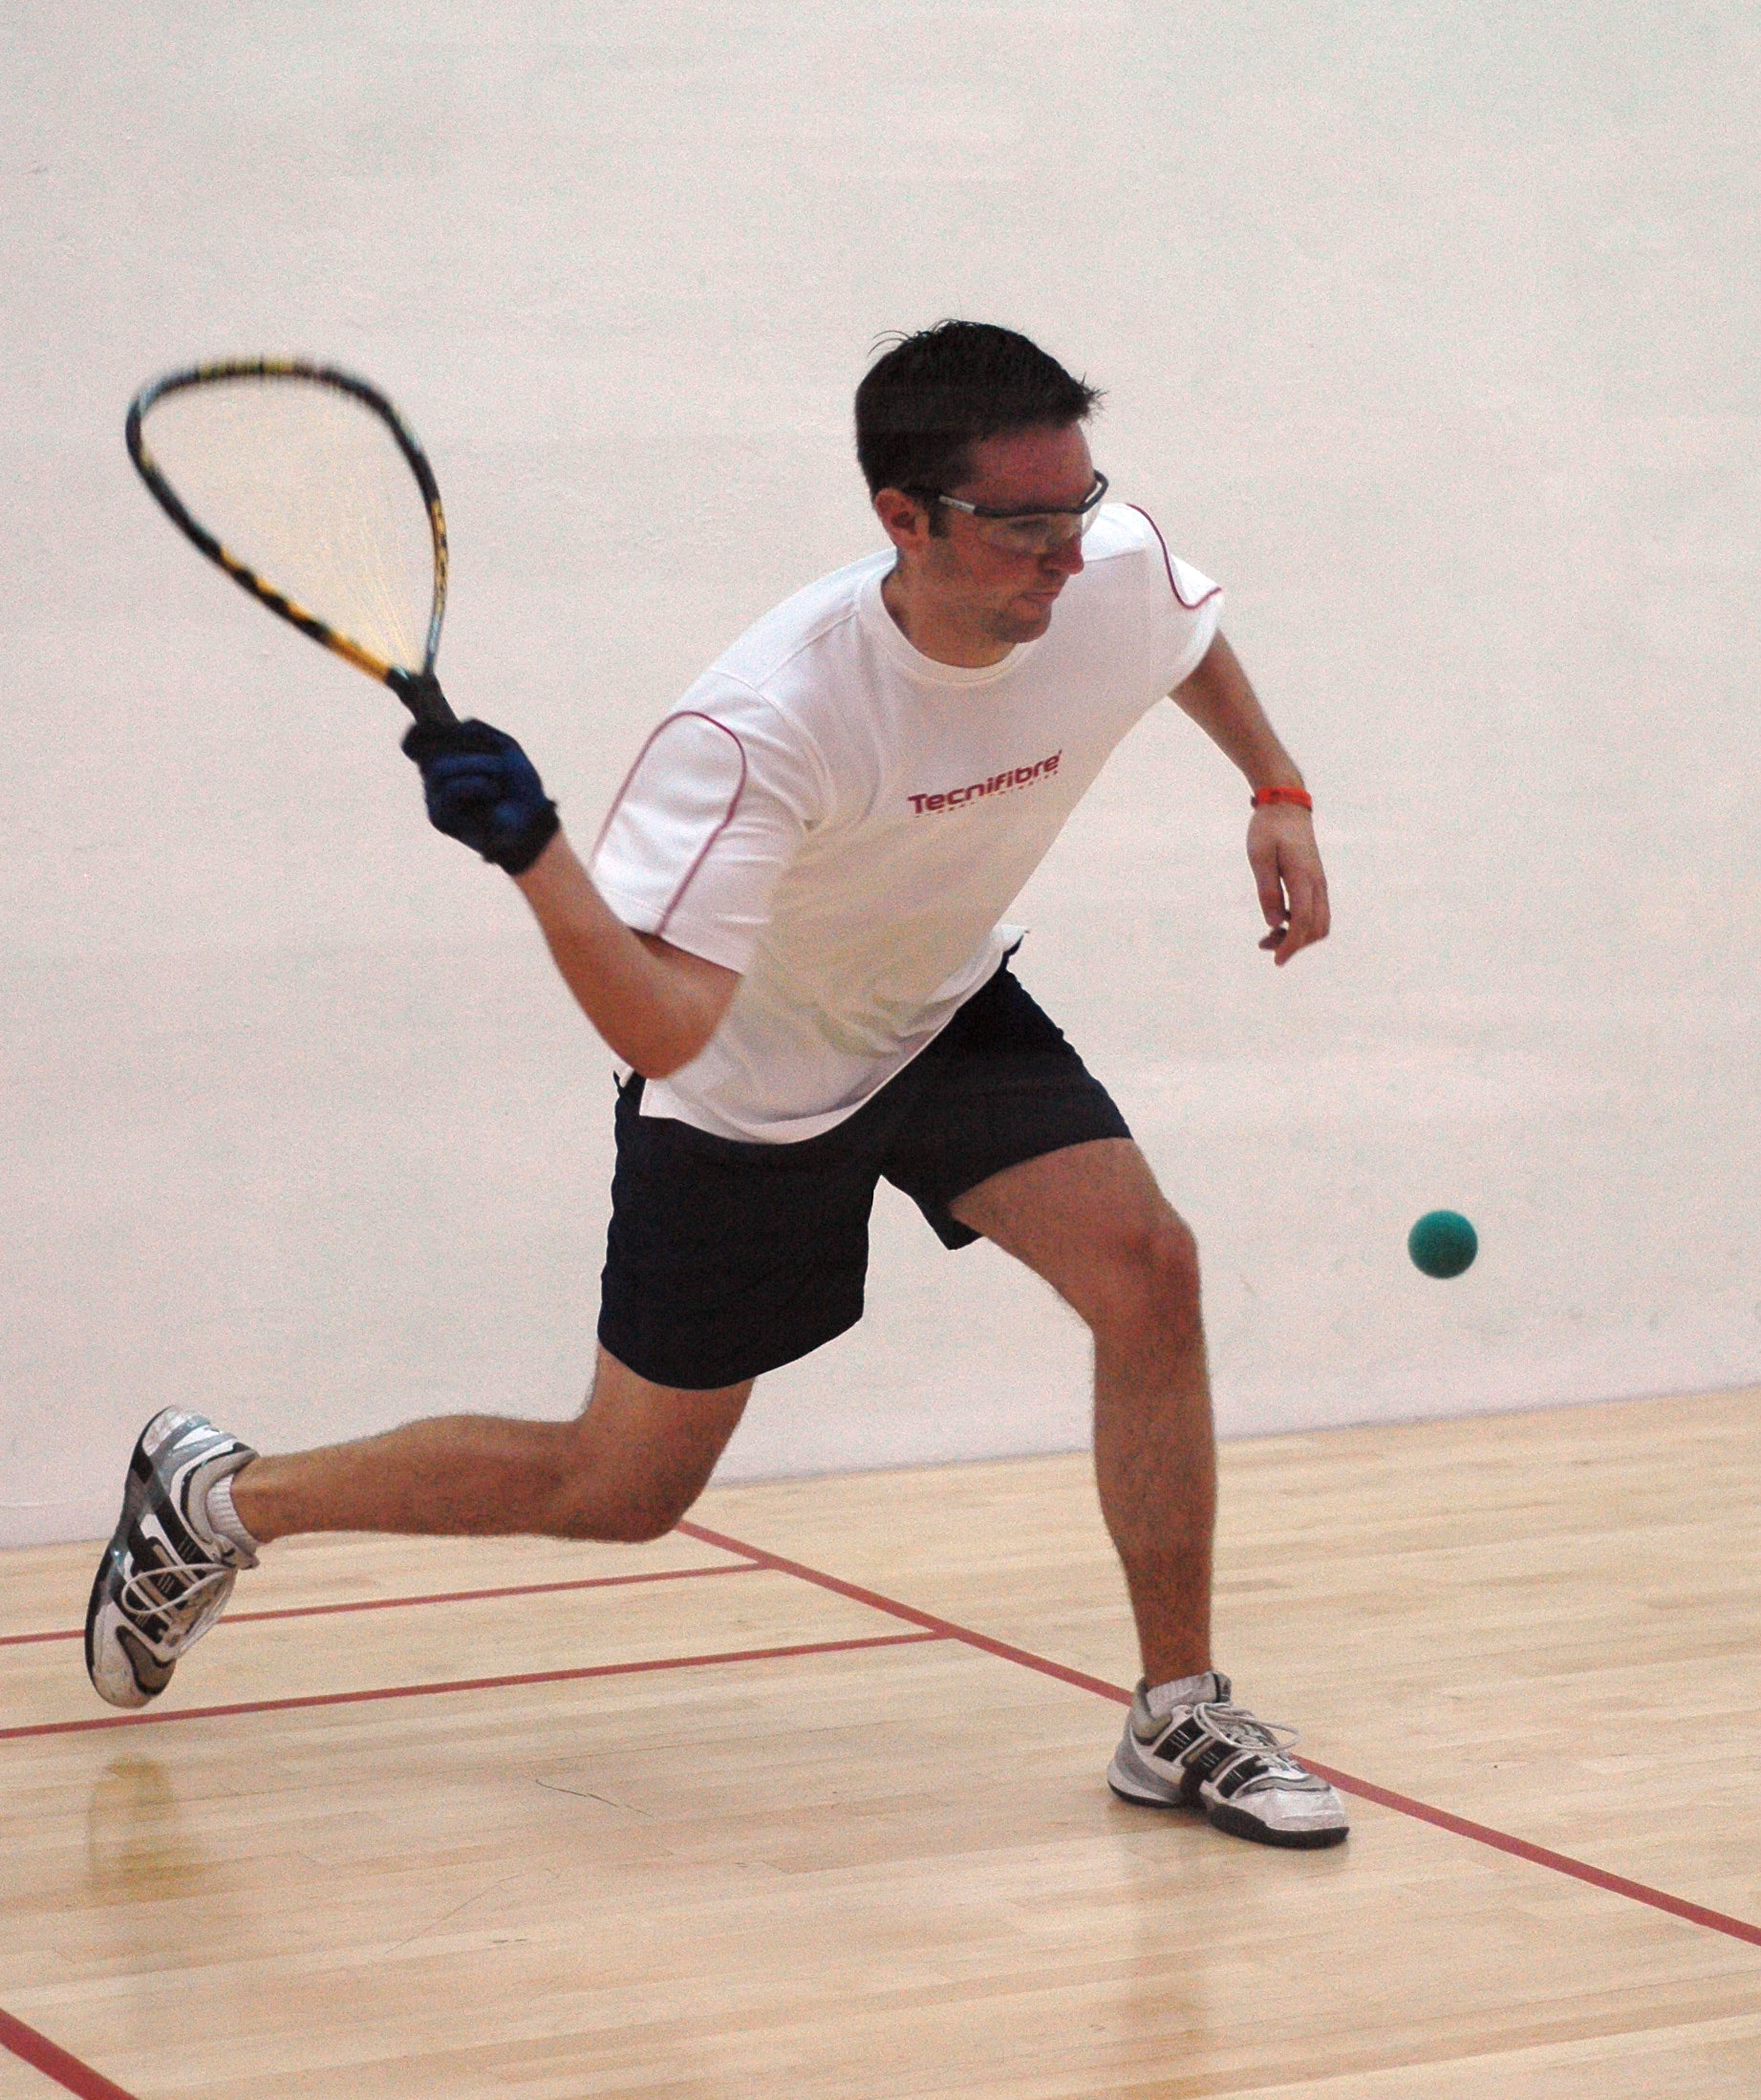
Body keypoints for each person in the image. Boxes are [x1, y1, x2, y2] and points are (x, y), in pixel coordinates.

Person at [87, 321, 1345, 1850]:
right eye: (1025, 527)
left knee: (1150, 1269)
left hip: (940, 1007)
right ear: (903, 516)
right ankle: (224, 1495)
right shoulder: (763, 726)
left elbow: (1180, 630)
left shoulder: (1109, 565)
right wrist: (538, 855)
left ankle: (1178, 1709)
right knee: (618, 1487)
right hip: (745, 1084)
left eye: (1081, 508)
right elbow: (668, 1028)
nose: (1067, 558)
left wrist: (1273, 787)